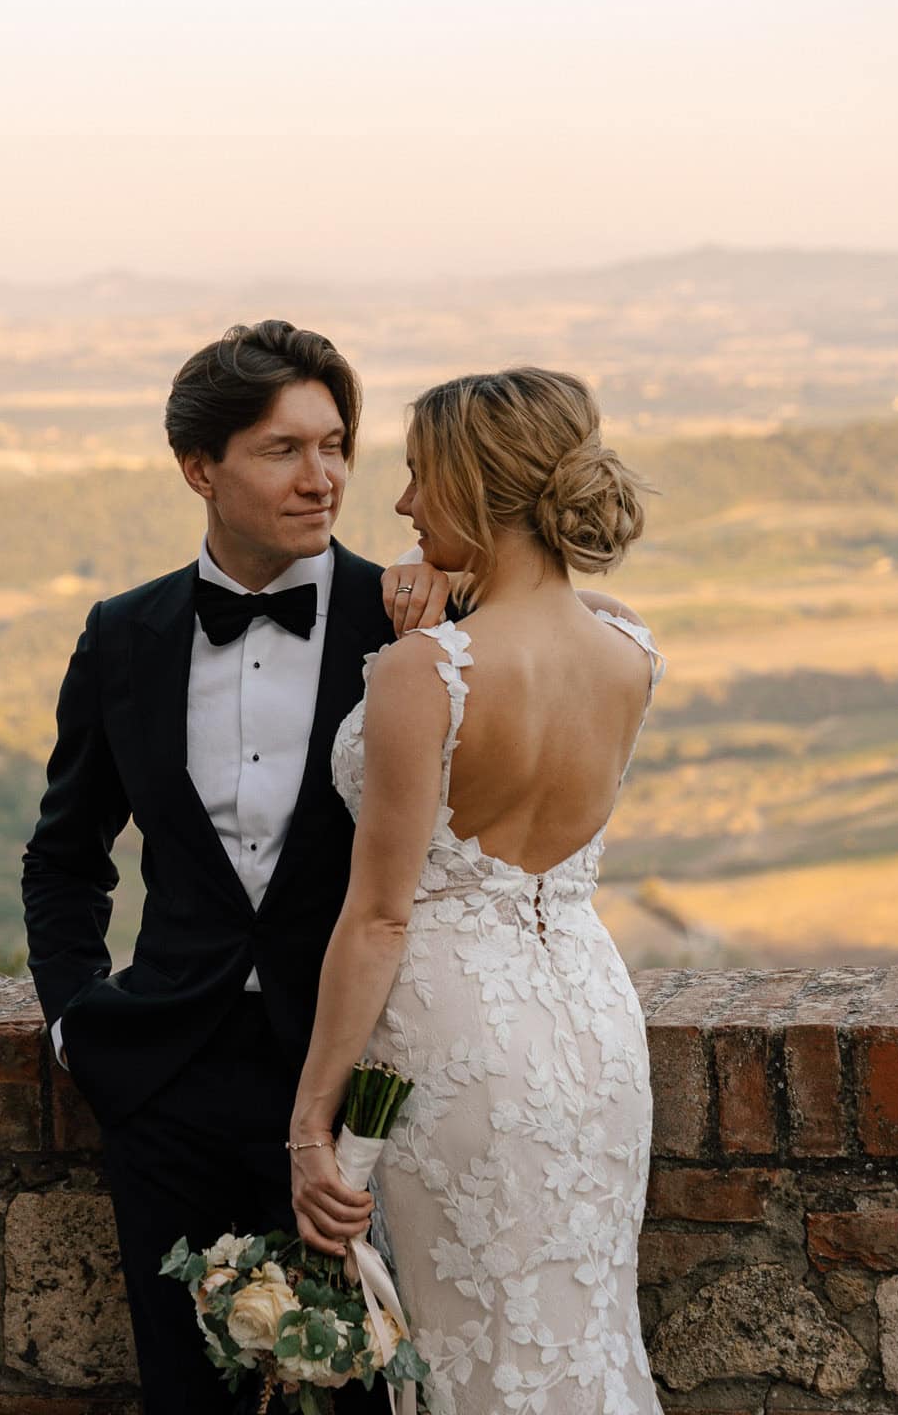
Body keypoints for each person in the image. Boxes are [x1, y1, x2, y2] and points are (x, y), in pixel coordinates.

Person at [19, 320, 450, 1414]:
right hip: (168, 1082)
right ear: (199, 469)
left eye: (337, 445)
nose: (325, 479)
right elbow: (66, 858)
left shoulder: (408, 622)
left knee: (365, 1391)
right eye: (284, 450)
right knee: (186, 1390)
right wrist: (78, 1021)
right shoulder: (126, 636)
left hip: (355, 1080)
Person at [290, 367, 665, 1415]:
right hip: (592, 1022)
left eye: (419, 478)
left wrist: (310, 1126)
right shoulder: (628, 647)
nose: (403, 507)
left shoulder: (423, 673)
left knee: (470, 1345)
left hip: (458, 1038)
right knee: (579, 1327)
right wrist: (449, 596)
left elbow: (378, 917)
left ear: (477, 485)